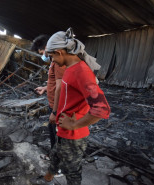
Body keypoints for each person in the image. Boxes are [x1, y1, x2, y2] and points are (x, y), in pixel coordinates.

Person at [30, 28, 110, 185]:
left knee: (72, 172)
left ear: (60, 52)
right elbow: (62, 90)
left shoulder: (81, 72)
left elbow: (102, 109)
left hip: (74, 134)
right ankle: (48, 178)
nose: (51, 61)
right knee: (55, 155)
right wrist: (57, 113)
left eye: (51, 56)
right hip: (63, 129)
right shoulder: (70, 68)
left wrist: (74, 123)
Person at [32, 34, 66, 161]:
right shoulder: (53, 61)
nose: (43, 56)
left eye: (42, 52)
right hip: (54, 105)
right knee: (53, 133)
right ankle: (53, 157)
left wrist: (55, 112)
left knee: (58, 137)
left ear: (47, 47)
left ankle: (57, 166)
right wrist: (45, 88)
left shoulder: (58, 62)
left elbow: (61, 87)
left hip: (58, 108)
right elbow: (55, 82)